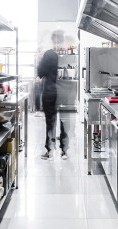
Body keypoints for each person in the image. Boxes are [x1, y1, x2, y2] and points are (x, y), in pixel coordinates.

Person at [37, 30, 68, 160]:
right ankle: (64, 151)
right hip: (66, 91)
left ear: (52, 40)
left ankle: (49, 150)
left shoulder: (49, 54)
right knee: (64, 121)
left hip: (50, 91)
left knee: (50, 121)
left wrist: (40, 59)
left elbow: (40, 72)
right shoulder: (67, 52)